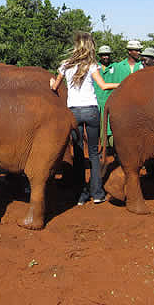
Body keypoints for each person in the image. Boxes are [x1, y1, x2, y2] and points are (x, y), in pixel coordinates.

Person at [51, 32, 119, 205]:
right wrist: (122, 84)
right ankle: (97, 193)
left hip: (73, 113)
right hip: (91, 111)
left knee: (79, 153)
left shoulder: (65, 65)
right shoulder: (92, 65)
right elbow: (103, 86)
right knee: (94, 153)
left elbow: (55, 87)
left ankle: (81, 195)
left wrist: (51, 81)